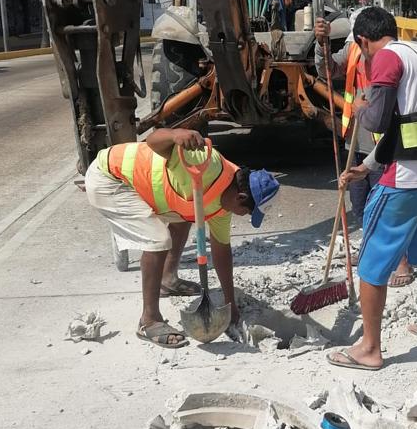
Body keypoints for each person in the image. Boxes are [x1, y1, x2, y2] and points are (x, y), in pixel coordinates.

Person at [327, 7, 417, 371]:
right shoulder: (416, 58)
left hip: (403, 182)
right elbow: (403, 127)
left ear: (363, 41)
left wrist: (360, 108)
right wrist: (364, 168)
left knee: (371, 264)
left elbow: (379, 120)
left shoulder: (384, 59)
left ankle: (368, 349)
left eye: (359, 49)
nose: (362, 55)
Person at [85, 127, 279, 348]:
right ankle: (148, 321)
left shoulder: (223, 206)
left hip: (138, 185)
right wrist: (174, 134)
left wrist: (229, 302)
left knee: (183, 216)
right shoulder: (205, 163)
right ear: (241, 197)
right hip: (110, 179)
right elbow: (153, 141)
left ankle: (167, 280)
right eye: (247, 212)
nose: (243, 216)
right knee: (158, 241)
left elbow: (221, 249)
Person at [314, 11, 414, 287]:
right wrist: (319, 43)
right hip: (356, 139)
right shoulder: (354, 50)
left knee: (388, 205)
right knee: (361, 203)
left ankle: (402, 260)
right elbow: (327, 71)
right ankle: (371, 248)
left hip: (385, 141)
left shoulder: (392, 57)